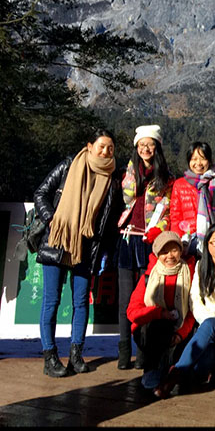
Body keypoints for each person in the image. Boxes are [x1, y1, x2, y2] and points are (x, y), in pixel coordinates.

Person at [33, 129, 119, 378]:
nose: (105, 151)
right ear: (90, 146)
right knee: (51, 301)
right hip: (58, 241)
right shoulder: (69, 165)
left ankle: (76, 354)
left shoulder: (112, 179)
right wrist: (52, 220)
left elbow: (109, 219)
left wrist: (104, 251)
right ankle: (50, 357)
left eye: (110, 148)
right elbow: (41, 193)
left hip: (88, 247)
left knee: (81, 302)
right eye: (101, 146)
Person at [154, 223, 215, 398]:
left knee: (209, 327)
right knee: (200, 370)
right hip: (209, 327)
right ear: (207, 244)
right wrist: (211, 319)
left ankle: (173, 375)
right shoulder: (201, 266)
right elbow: (194, 299)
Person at [116, 124, 173, 370]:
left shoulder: (166, 178)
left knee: (146, 299)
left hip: (148, 242)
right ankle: (123, 351)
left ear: (157, 147)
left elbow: (167, 211)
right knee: (124, 299)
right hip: (127, 239)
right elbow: (123, 200)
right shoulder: (128, 173)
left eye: (150, 144)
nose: (146, 149)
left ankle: (142, 351)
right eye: (141, 145)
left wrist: (157, 231)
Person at [126, 230, 197, 393]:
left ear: (180, 251)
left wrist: (180, 334)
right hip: (151, 332)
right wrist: (159, 313)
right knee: (161, 325)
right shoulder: (149, 277)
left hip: (180, 329)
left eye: (174, 250)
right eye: (164, 252)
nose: (170, 256)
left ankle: (171, 373)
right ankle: (153, 371)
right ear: (157, 254)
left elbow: (193, 311)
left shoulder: (190, 274)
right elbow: (132, 312)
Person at [170, 141, 215, 257]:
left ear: (209, 160)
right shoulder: (179, 184)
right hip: (187, 241)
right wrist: (176, 243)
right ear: (189, 161)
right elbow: (175, 217)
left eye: (203, 159)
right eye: (194, 159)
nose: (198, 163)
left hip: (214, 240)